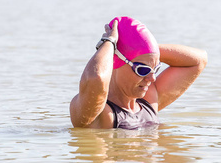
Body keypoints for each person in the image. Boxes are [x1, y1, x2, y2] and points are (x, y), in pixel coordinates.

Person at [70, 16, 207, 129]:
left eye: (155, 69)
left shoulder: (149, 101)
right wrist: (109, 43)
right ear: (115, 61)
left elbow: (199, 60)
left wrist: (147, 50)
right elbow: (96, 78)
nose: (152, 78)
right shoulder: (101, 114)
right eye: (143, 70)